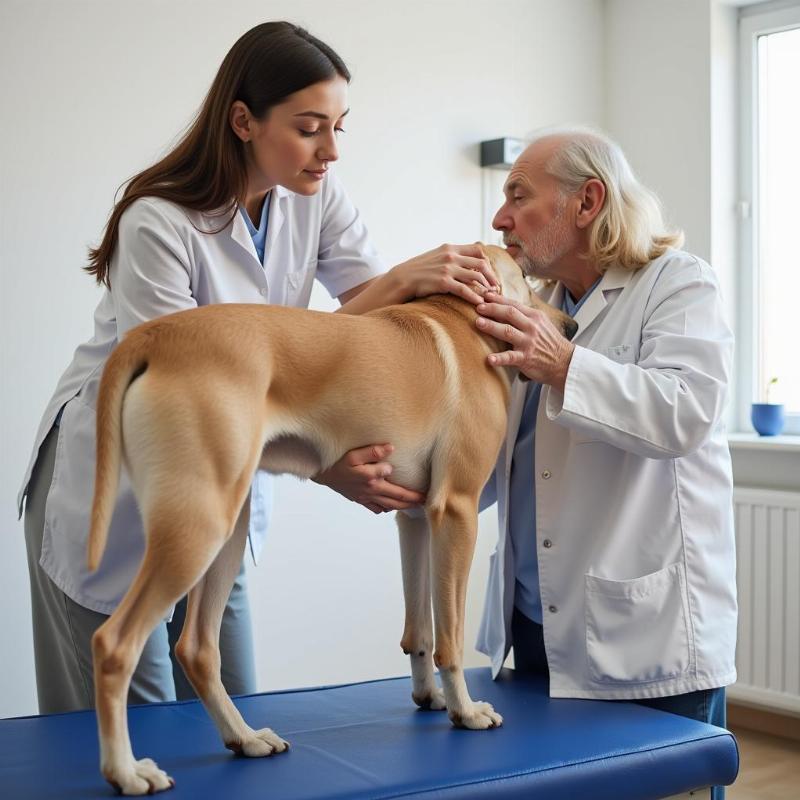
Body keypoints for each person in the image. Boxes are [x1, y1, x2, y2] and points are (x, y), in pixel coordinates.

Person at [18, 20, 497, 715]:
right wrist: (323, 460)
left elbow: (360, 332)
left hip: (233, 478)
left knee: (229, 698)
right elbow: (194, 382)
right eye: (309, 128)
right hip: (124, 468)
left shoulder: (316, 200)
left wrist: (402, 292)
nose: (330, 150)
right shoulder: (157, 222)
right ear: (243, 120)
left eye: (340, 126)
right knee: (136, 712)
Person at [474, 127, 736, 799]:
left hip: (646, 638)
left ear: (587, 201)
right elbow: (510, 463)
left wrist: (563, 365)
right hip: (536, 628)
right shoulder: (541, 312)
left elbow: (684, 412)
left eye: (518, 195)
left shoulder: (679, 284)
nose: (500, 218)